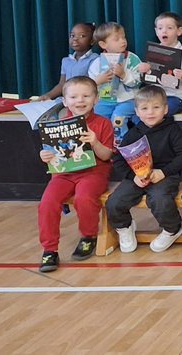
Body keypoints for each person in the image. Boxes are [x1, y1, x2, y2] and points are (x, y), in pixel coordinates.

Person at [36, 76, 115, 271]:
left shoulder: (103, 123)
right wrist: (45, 155)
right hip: (64, 174)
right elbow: (55, 156)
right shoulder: (57, 125)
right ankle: (49, 250)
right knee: (47, 202)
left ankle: (89, 236)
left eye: (86, 96)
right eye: (73, 97)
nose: (80, 101)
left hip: (93, 172)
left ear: (96, 99)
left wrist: (95, 142)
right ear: (64, 101)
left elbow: (106, 156)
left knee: (84, 198)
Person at [106, 86, 182, 254]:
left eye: (156, 107)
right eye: (145, 108)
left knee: (159, 199)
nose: (150, 112)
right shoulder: (133, 133)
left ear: (165, 109)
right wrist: (132, 176)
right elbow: (118, 159)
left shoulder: (173, 130)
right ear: (137, 111)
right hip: (138, 176)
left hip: (165, 175)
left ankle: (172, 229)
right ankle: (124, 227)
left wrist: (163, 172)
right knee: (114, 202)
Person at [121, 12, 182, 120]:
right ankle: (145, 136)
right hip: (153, 96)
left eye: (169, 28)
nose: (164, 31)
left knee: (157, 113)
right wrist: (143, 70)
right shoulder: (153, 51)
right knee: (139, 115)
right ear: (156, 31)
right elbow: (148, 79)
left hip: (176, 98)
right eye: (160, 28)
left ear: (179, 31)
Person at [85, 21, 143, 134]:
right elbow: (88, 85)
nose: (123, 41)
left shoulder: (132, 59)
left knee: (118, 118)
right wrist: (98, 81)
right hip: (105, 100)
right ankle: (99, 143)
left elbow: (138, 81)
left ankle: (120, 143)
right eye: (117, 39)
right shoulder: (97, 62)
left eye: (123, 37)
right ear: (103, 44)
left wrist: (123, 75)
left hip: (128, 100)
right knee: (95, 116)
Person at [38, 23, 98, 100]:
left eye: (82, 36)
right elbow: (61, 85)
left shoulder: (95, 59)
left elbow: (93, 85)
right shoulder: (66, 61)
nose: (75, 39)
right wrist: (48, 96)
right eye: (72, 36)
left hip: (83, 100)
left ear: (92, 41)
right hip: (67, 100)